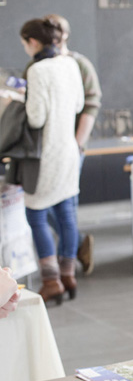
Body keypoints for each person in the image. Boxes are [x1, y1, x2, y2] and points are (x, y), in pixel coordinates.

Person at [19, 18, 84, 306]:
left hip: (45, 154)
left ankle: (50, 281)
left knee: (36, 215)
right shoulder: (70, 64)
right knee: (67, 213)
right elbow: (80, 105)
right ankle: (68, 275)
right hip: (69, 149)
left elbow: (36, 117)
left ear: (33, 42)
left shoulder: (37, 70)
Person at [45, 14, 102, 276]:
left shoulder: (79, 64)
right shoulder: (42, 64)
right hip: (48, 149)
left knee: (66, 205)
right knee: (43, 206)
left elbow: (91, 105)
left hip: (70, 147)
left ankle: (66, 265)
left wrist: (77, 145)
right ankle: (78, 245)